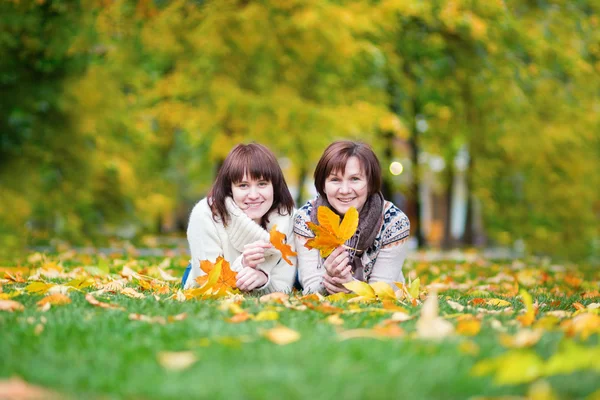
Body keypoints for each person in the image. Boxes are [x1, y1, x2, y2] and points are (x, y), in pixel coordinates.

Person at [293, 141, 410, 294]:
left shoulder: (394, 222)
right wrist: (329, 280)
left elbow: (381, 292)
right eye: (335, 180)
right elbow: (310, 289)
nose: (345, 190)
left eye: (355, 179)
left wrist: (350, 286)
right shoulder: (306, 219)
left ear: (370, 183)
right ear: (323, 185)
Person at [182, 143, 296, 293]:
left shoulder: (288, 218)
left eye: (262, 184)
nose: (254, 195)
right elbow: (207, 284)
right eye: (243, 185)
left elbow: (283, 286)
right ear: (230, 189)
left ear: (274, 186)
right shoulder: (205, 214)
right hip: (202, 273)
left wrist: (262, 279)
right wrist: (242, 264)